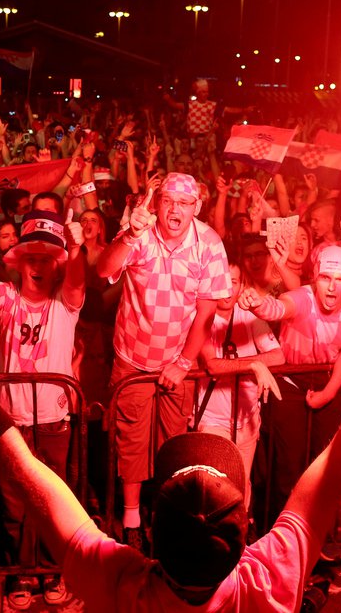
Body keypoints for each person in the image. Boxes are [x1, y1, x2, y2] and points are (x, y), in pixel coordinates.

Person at [0, 277, 341, 611]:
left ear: (150, 545)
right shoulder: (269, 580)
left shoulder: (120, 585)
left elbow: (18, 468)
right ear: (247, 539)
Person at [95, 172, 231, 551]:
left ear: (196, 208)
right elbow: (104, 270)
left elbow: (206, 313)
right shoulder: (141, 231)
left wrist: (184, 363)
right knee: (132, 440)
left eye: (184, 203)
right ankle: (132, 520)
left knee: (173, 446)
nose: (175, 209)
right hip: (132, 358)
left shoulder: (209, 244)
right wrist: (129, 235)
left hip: (176, 361)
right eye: (168, 201)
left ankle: (165, 517)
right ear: (157, 204)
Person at [0, 205, 85, 607]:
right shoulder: (7, 297)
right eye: (30, 257)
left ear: (55, 265)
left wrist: (78, 247)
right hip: (11, 421)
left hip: (52, 421)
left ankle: (54, 571)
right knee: (15, 504)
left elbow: (78, 283)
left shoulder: (65, 302)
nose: (37, 265)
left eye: (46, 259)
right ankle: (21, 576)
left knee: (54, 500)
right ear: (19, 263)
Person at [238, 245, 341, 550]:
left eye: (339, 278)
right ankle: (280, 542)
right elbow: (278, 308)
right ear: (314, 278)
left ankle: (317, 539)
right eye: (325, 278)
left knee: (325, 466)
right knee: (288, 468)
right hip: (290, 383)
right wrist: (258, 305)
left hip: (328, 381)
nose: (332, 286)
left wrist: (328, 393)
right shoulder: (302, 298)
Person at [194, 256, 284, 510]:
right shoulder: (203, 317)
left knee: (242, 488)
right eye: (220, 280)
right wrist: (254, 364)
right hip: (213, 420)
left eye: (232, 281)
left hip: (247, 418)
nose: (226, 287)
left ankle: (240, 543)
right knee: (216, 490)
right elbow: (212, 364)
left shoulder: (249, 316)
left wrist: (254, 362)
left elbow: (278, 356)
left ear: (242, 285)